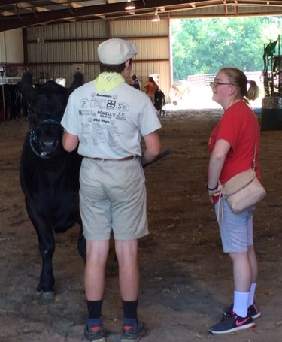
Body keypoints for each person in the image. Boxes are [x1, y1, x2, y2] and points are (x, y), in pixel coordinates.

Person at [61, 37, 161, 342]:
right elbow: (155, 149)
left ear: (100, 63)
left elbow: (68, 145)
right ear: (127, 65)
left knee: (95, 251)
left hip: (91, 172)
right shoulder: (138, 99)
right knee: (127, 251)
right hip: (126, 172)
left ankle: (94, 326)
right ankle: (130, 325)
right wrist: (139, 161)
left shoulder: (80, 95)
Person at [207, 68, 262, 335]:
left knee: (238, 253)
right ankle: (248, 304)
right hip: (247, 188)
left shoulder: (232, 115)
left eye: (217, 83)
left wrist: (211, 185)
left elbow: (219, 155)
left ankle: (241, 316)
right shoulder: (246, 112)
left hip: (231, 191)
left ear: (232, 88)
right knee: (247, 248)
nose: (214, 86)